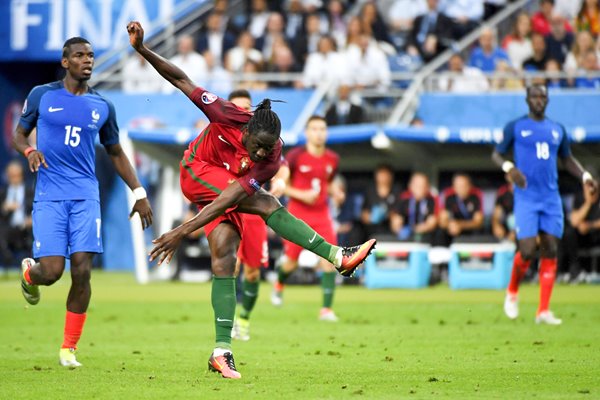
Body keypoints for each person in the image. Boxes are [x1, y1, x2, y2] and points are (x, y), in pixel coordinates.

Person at [127, 21, 375, 379]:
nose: (261, 154)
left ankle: (221, 351)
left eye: (267, 148)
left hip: (220, 190)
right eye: (256, 146)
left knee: (225, 254)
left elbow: (228, 197)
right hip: (197, 168)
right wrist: (142, 50)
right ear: (244, 131)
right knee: (267, 204)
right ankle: (338, 255)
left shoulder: (272, 157)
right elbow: (181, 80)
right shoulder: (226, 113)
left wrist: (182, 232)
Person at [14, 36, 153, 367]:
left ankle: (68, 348)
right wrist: (30, 150)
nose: (87, 60)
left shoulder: (103, 106)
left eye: (91, 55)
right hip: (49, 196)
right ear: (66, 62)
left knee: (82, 269)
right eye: (80, 55)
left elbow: (116, 152)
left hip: (85, 197)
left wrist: (140, 192)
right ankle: (30, 276)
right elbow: (18, 135)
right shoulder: (41, 95)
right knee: (51, 271)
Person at [493, 84, 597, 325]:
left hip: (551, 197)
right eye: (535, 96)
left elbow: (567, 158)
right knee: (528, 250)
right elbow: (497, 154)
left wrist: (585, 176)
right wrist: (510, 168)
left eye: (543, 96)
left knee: (550, 247)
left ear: (547, 100)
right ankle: (512, 291)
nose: (539, 100)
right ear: (527, 99)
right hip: (527, 197)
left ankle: (543, 311)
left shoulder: (556, 129)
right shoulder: (515, 127)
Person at [227, 89, 290, 342]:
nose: (242, 112)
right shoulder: (222, 136)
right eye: (237, 108)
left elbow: (282, 166)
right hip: (228, 207)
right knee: (230, 266)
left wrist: (282, 183)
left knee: (252, 272)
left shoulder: (263, 141)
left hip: (252, 211)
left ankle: (244, 320)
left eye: (247, 108)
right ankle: (227, 320)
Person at [271, 116, 344, 322]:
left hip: (322, 215)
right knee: (291, 263)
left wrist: (335, 192)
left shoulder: (332, 159)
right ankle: (279, 284)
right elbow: (281, 183)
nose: (319, 133)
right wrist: (302, 195)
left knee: (330, 259)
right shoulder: (295, 156)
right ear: (307, 132)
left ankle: (326, 310)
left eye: (322, 129)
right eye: (314, 129)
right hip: (297, 214)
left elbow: (326, 183)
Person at [0, 161, 34, 268]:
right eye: (11, 176)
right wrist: (4, 208)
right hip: (8, 228)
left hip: (26, 228)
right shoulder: (3, 193)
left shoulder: (30, 191)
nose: (14, 178)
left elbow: (38, 210)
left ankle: (33, 267)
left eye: (17, 175)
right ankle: (9, 265)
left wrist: (32, 219)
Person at [389, 172, 438, 243]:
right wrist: (398, 229)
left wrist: (412, 230)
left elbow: (432, 223)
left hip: (426, 240)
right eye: (417, 185)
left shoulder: (432, 200)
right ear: (410, 186)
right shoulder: (403, 199)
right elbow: (396, 221)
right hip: (405, 240)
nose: (420, 188)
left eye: (423, 185)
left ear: (427, 187)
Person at [439, 173, 484, 243]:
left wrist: (460, 225)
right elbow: (442, 221)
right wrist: (450, 225)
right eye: (458, 186)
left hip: (469, 230)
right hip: (452, 229)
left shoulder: (476, 196)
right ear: (454, 187)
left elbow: (478, 222)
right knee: (440, 233)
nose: (461, 188)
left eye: (464, 186)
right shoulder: (448, 197)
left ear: (469, 186)